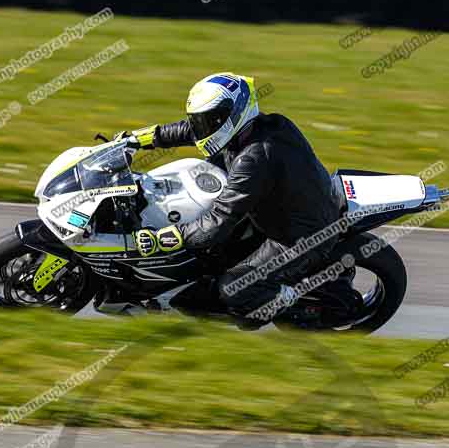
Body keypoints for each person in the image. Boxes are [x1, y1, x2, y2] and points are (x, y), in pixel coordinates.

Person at [121, 72, 348, 324]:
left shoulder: (253, 158)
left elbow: (218, 221)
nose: (201, 127)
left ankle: (294, 299)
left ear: (234, 114)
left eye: (209, 121)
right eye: (200, 120)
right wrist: (137, 140)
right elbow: (190, 131)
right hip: (281, 209)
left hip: (299, 236)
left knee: (234, 289)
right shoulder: (259, 127)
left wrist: (167, 236)